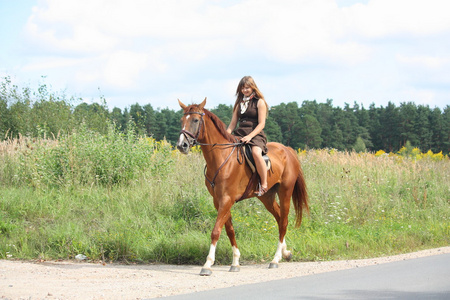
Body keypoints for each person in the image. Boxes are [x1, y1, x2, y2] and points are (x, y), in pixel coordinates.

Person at [227, 76, 269, 196]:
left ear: (252, 87)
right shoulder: (238, 104)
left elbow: (262, 124)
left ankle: (264, 184)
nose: (245, 90)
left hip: (255, 134)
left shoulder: (260, 102)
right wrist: (226, 135)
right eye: (243, 88)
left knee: (255, 153)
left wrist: (250, 137)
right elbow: (232, 124)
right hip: (240, 134)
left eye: (247, 87)